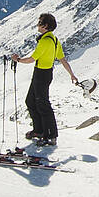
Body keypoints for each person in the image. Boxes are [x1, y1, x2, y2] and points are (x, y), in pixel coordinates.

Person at [12, 13, 78, 146]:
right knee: (31, 101)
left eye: (40, 22)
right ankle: (39, 130)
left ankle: (50, 135)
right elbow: (62, 59)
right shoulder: (54, 40)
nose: (37, 24)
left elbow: (32, 59)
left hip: (41, 74)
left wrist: (17, 60)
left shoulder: (44, 41)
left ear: (45, 26)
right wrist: (71, 74)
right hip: (46, 73)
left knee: (42, 105)